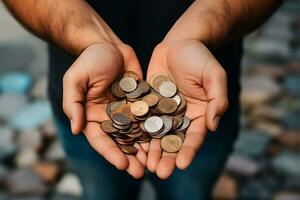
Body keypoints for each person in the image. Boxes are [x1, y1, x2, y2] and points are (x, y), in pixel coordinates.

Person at [4, 0, 282, 199]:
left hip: (199, 101)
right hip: (92, 102)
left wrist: (201, 31)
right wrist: (89, 39)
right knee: (101, 192)